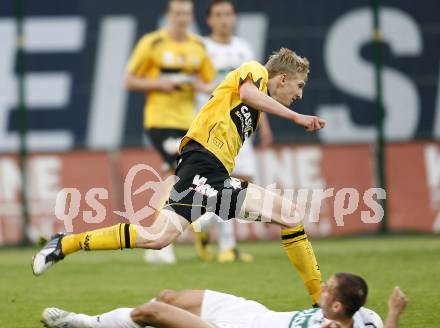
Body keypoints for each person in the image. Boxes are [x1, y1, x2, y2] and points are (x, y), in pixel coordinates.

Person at [32, 47, 326, 306]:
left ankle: (65, 243)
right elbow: (249, 93)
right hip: (203, 165)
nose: (299, 95)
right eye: (299, 86)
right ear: (283, 78)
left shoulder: (256, 110)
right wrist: (297, 118)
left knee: (157, 236)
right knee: (289, 214)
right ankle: (320, 302)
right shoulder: (254, 70)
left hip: (203, 169)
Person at [41, 273, 408, 328]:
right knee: (169, 296)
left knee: (153, 312)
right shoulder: (365, 320)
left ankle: (80, 321)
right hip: (251, 314)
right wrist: (393, 313)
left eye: (327, 290)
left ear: (338, 307)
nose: (322, 291)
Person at [125, 0, 216, 263]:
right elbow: (129, 79)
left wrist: (198, 86)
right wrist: (158, 83)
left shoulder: (198, 46)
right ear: (168, 16)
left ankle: (161, 240)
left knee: (176, 175)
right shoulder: (152, 43)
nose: (182, 18)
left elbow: (209, 81)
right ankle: (178, 231)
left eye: (186, 13)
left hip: (188, 121)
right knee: (180, 171)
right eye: (177, 13)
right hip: (159, 120)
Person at [193, 0, 274, 263]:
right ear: (209, 20)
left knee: (243, 183)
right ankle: (226, 246)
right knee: (225, 185)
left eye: (228, 14)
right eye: (218, 15)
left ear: (234, 17)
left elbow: (257, 92)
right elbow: (193, 84)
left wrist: (264, 124)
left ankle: (203, 224)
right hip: (215, 127)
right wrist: (221, 88)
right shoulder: (201, 48)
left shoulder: (243, 48)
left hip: (242, 125)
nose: (224, 19)